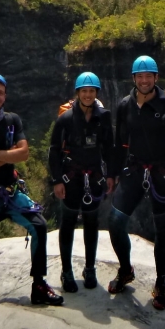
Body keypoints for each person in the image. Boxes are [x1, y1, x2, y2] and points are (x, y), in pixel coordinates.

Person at [0, 73, 63, 323]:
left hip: (8, 192)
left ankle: (39, 285)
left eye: (0, 93)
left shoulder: (12, 121)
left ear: (5, 96)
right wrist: (7, 155)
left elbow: (24, 154)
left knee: (38, 226)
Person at [107, 55, 165, 310]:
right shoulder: (125, 105)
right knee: (115, 221)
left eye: (149, 76)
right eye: (140, 76)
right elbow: (120, 141)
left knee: (162, 230)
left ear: (156, 78)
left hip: (162, 172)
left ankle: (161, 283)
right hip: (134, 169)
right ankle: (125, 270)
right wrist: (113, 173)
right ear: (134, 79)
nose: (144, 81)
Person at [48, 71, 115, 291]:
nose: (88, 95)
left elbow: (108, 148)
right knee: (67, 223)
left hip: (94, 177)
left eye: (91, 91)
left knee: (91, 224)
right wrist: (57, 180)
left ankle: (89, 268)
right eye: (84, 91)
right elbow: (54, 150)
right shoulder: (66, 119)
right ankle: (66, 271)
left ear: (96, 93)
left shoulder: (103, 117)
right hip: (71, 178)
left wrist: (111, 175)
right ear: (77, 93)